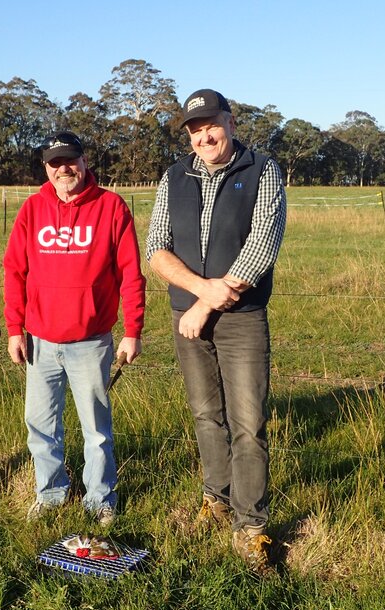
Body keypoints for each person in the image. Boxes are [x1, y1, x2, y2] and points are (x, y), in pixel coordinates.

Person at [146, 89, 286, 574]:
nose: (204, 134)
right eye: (194, 128)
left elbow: (261, 247)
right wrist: (200, 292)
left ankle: (250, 527)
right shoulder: (173, 177)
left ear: (230, 121)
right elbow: (157, 249)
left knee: (248, 424)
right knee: (207, 415)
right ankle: (216, 498)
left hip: (240, 317)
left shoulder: (263, 169)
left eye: (212, 124)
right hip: (186, 315)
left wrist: (203, 307)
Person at [3, 131, 146, 527]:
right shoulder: (32, 209)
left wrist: (133, 329)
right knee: (42, 426)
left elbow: (131, 273)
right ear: (46, 169)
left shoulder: (111, 207)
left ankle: (101, 499)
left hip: (91, 341)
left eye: (71, 160)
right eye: (55, 163)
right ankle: (50, 494)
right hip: (39, 342)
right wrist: (15, 329)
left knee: (96, 430)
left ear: (84, 162)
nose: (63, 169)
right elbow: (14, 271)